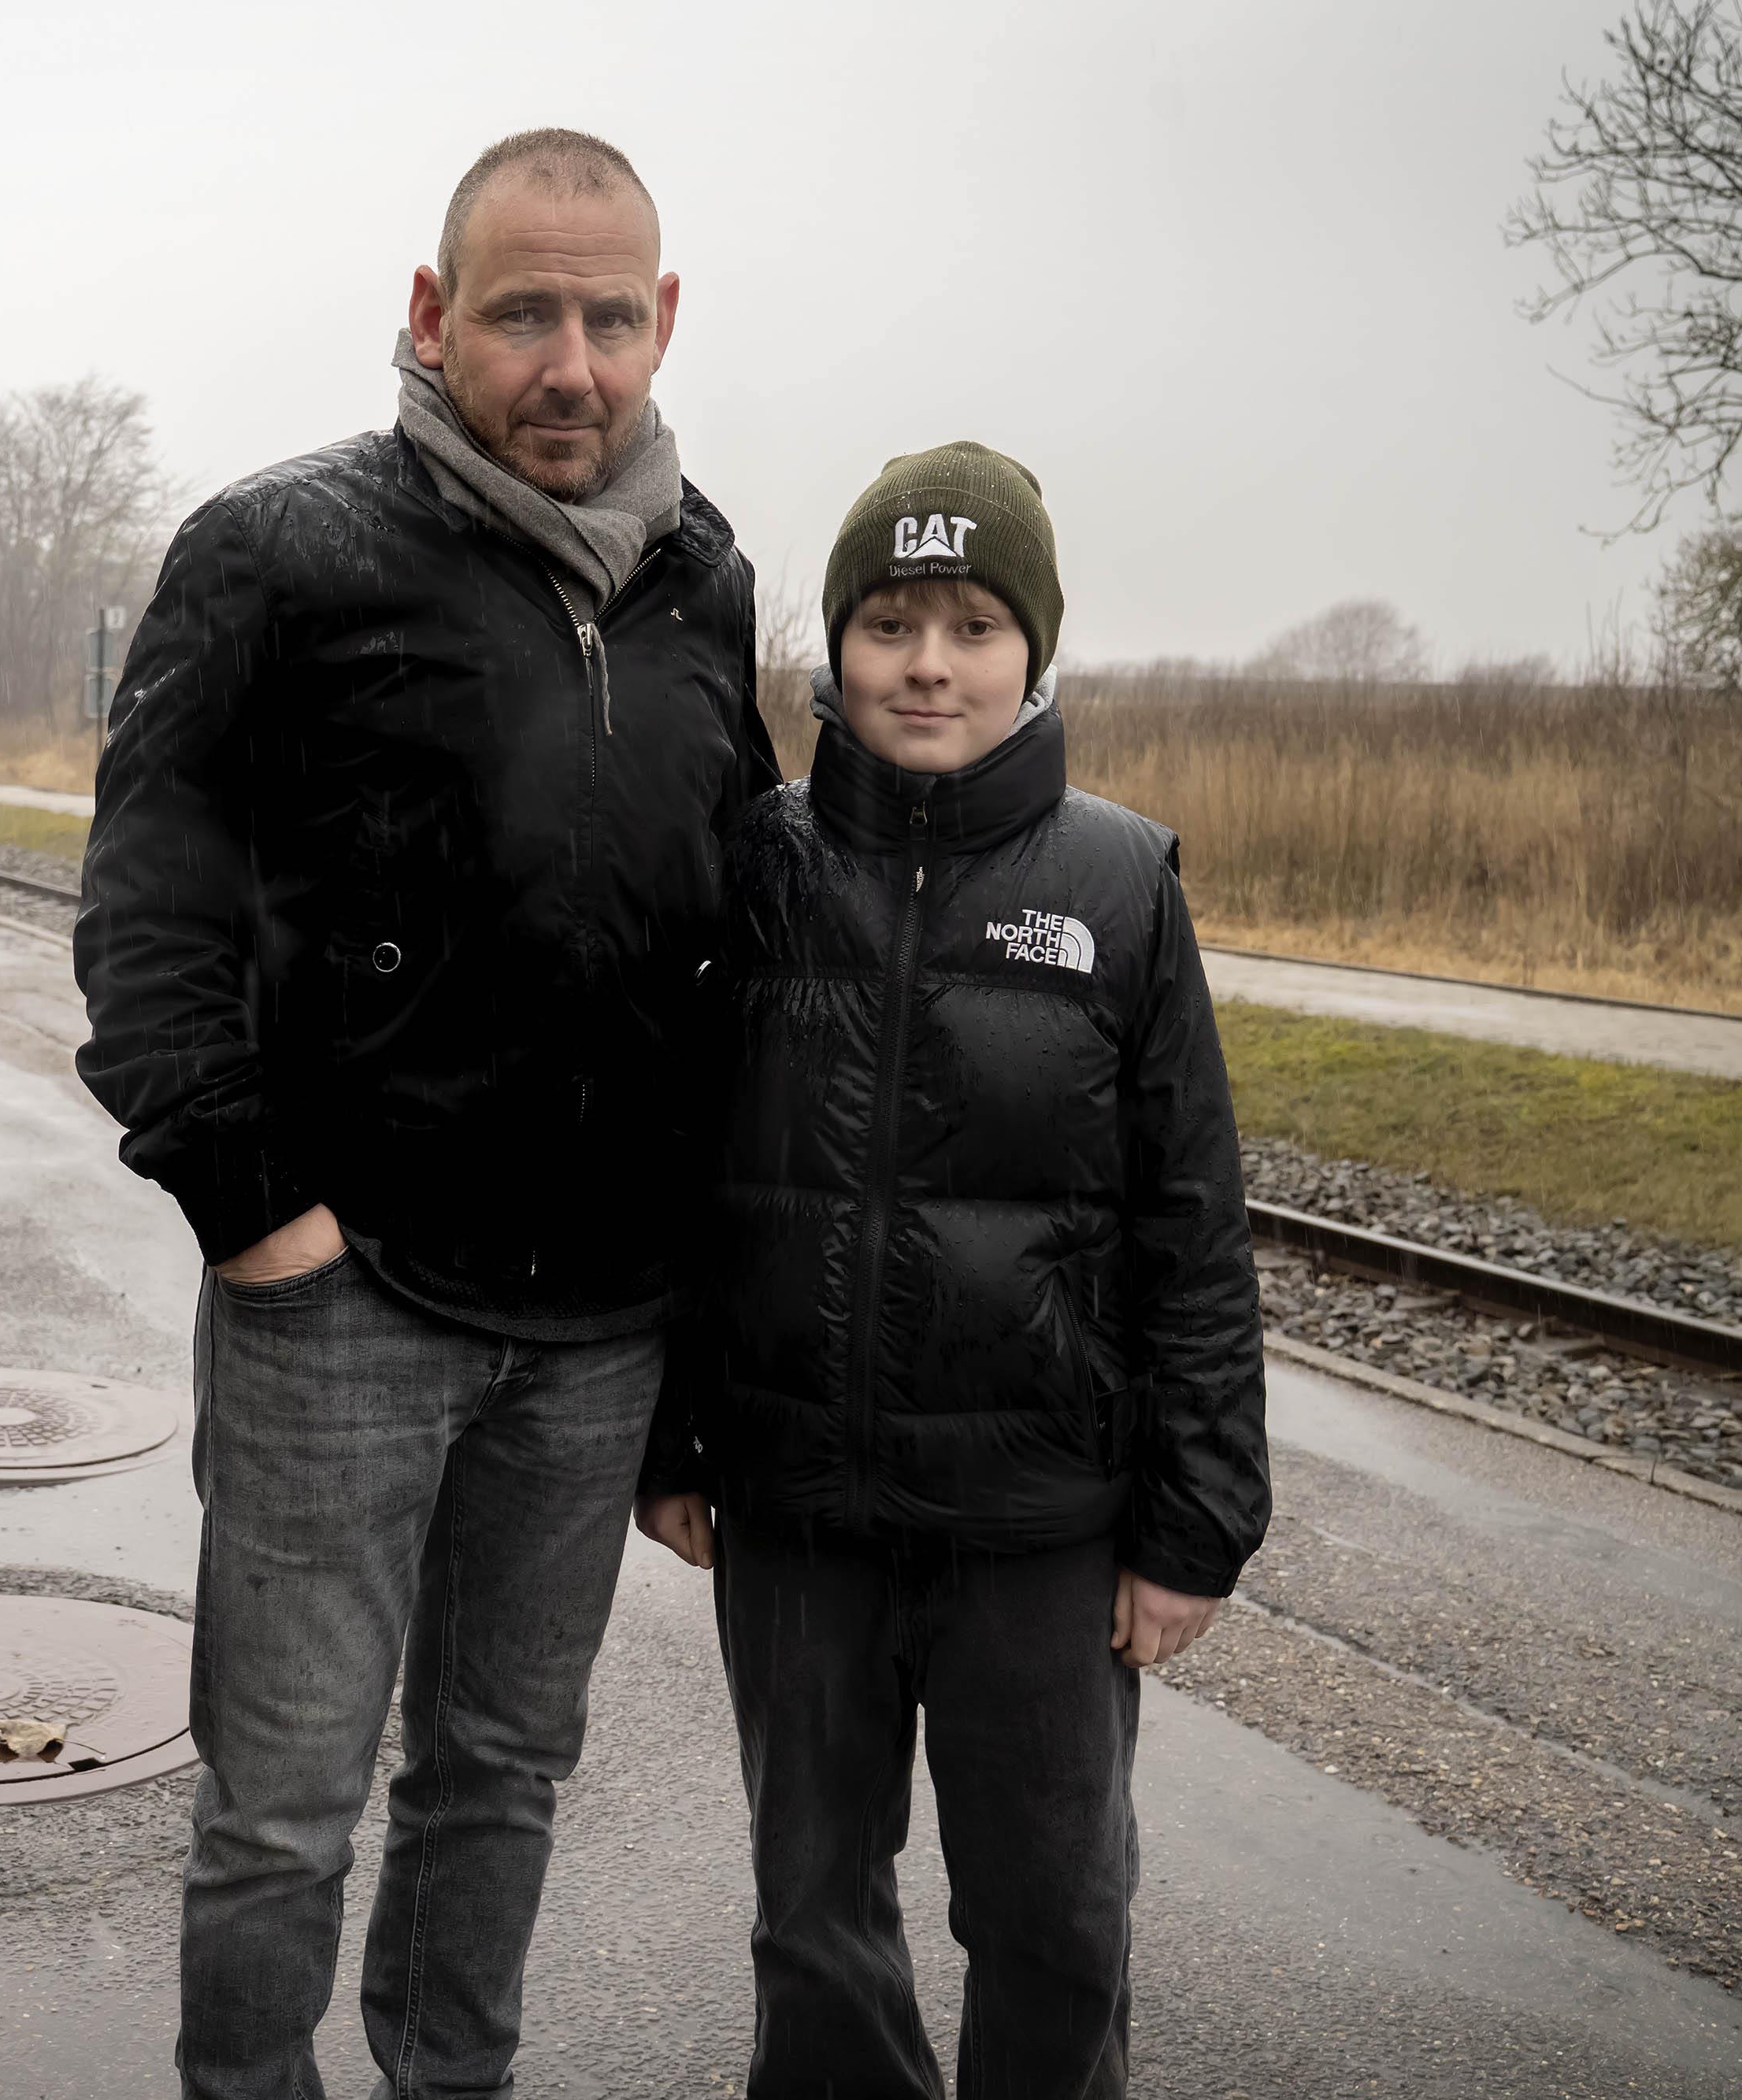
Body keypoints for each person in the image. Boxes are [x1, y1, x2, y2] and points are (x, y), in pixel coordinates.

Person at [76, 129, 776, 2100]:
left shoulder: (705, 583)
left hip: (594, 1335)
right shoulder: (278, 554)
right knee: (286, 1805)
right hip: (345, 1304)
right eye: (523, 313)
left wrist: (702, 1347)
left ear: (662, 325)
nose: (570, 364)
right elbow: (146, 918)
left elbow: (730, 952)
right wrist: (255, 1220)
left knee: (499, 1779)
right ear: (427, 315)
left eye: (608, 318)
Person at [633, 443, 1271, 2098]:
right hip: (797, 1516)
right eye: (892, 621)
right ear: (836, 644)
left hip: (1040, 1529)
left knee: (1053, 1916)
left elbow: (1187, 1223)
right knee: (811, 1919)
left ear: (1029, 649)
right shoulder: (756, 866)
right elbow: (681, 1175)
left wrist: (1191, 1522)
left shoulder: (1118, 884)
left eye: (972, 623)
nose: (928, 663)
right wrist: (671, 1438)